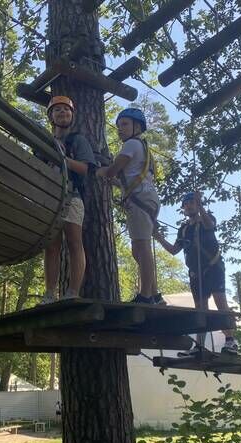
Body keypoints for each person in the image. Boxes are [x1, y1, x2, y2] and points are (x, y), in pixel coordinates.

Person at [153, 191, 238, 355]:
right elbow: (174, 250)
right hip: (195, 273)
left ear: (197, 205)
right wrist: (158, 237)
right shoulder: (184, 229)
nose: (189, 206)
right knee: (200, 308)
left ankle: (230, 340)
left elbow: (210, 226)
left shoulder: (207, 218)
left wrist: (201, 206)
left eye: (192, 203)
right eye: (186, 204)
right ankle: (199, 345)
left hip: (213, 268)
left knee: (220, 302)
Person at [96, 108, 164, 304]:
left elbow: (112, 170)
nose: (120, 129)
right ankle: (155, 294)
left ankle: (146, 296)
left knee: (142, 247)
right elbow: (129, 177)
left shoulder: (132, 144)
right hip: (144, 198)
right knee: (137, 250)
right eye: (118, 126)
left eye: (125, 124)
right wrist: (117, 183)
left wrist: (96, 171)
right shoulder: (142, 147)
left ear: (138, 127)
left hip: (140, 199)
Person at [40, 96, 97, 304]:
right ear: (51, 117)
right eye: (57, 110)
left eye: (66, 109)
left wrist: (62, 159)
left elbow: (84, 168)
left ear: (72, 115)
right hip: (49, 195)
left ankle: (73, 291)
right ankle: (49, 293)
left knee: (74, 242)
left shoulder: (78, 140)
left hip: (72, 195)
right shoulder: (44, 141)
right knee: (51, 245)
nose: (62, 112)